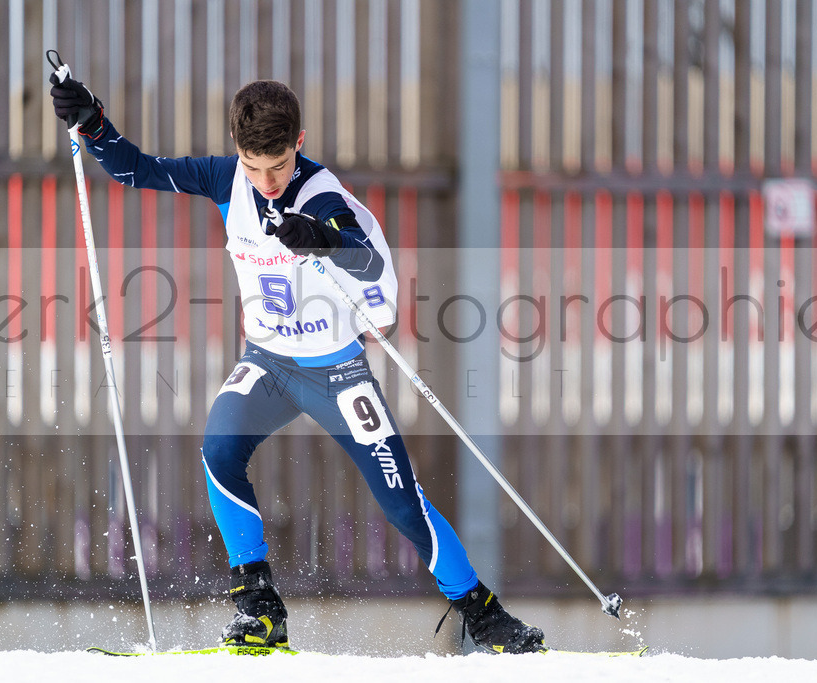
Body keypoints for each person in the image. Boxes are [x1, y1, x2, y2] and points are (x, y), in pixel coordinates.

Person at [48, 75, 545, 655]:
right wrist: (94, 124)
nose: (266, 182)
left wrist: (323, 238)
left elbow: (362, 257)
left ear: (299, 142)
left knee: (400, 500)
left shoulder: (322, 195)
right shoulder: (225, 179)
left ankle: (483, 615)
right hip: (268, 364)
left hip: (336, 373)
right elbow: (139, 169)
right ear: (238, 152)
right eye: (254, 168)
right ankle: (258, 605)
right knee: (219, 452)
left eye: (279, 166)